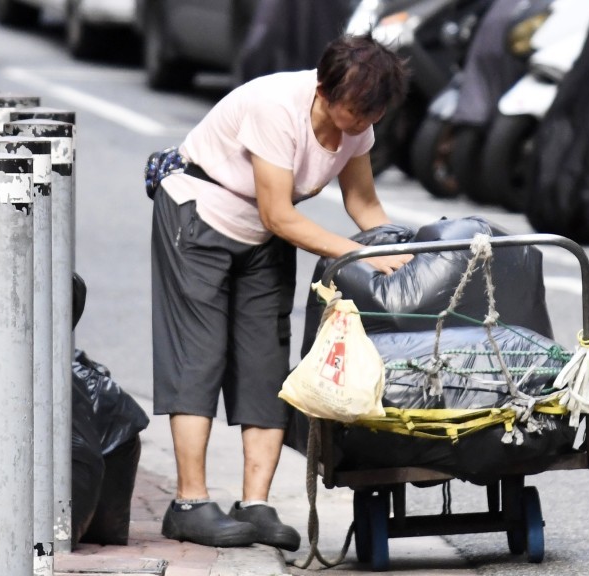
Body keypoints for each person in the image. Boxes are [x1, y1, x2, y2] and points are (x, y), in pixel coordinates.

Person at [149, 34, 414, 550]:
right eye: (353, 108)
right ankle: (189, 504)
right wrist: (355, 254)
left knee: (265, 361)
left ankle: (255, 504)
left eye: (372, 112)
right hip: (201, 214)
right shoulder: (276, 108)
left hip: (267, 235)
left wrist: (401, 252)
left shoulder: (357, 127)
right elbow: (278, 211)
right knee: (200, 355)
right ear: (322, 89)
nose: (360, 120)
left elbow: (363, 204)